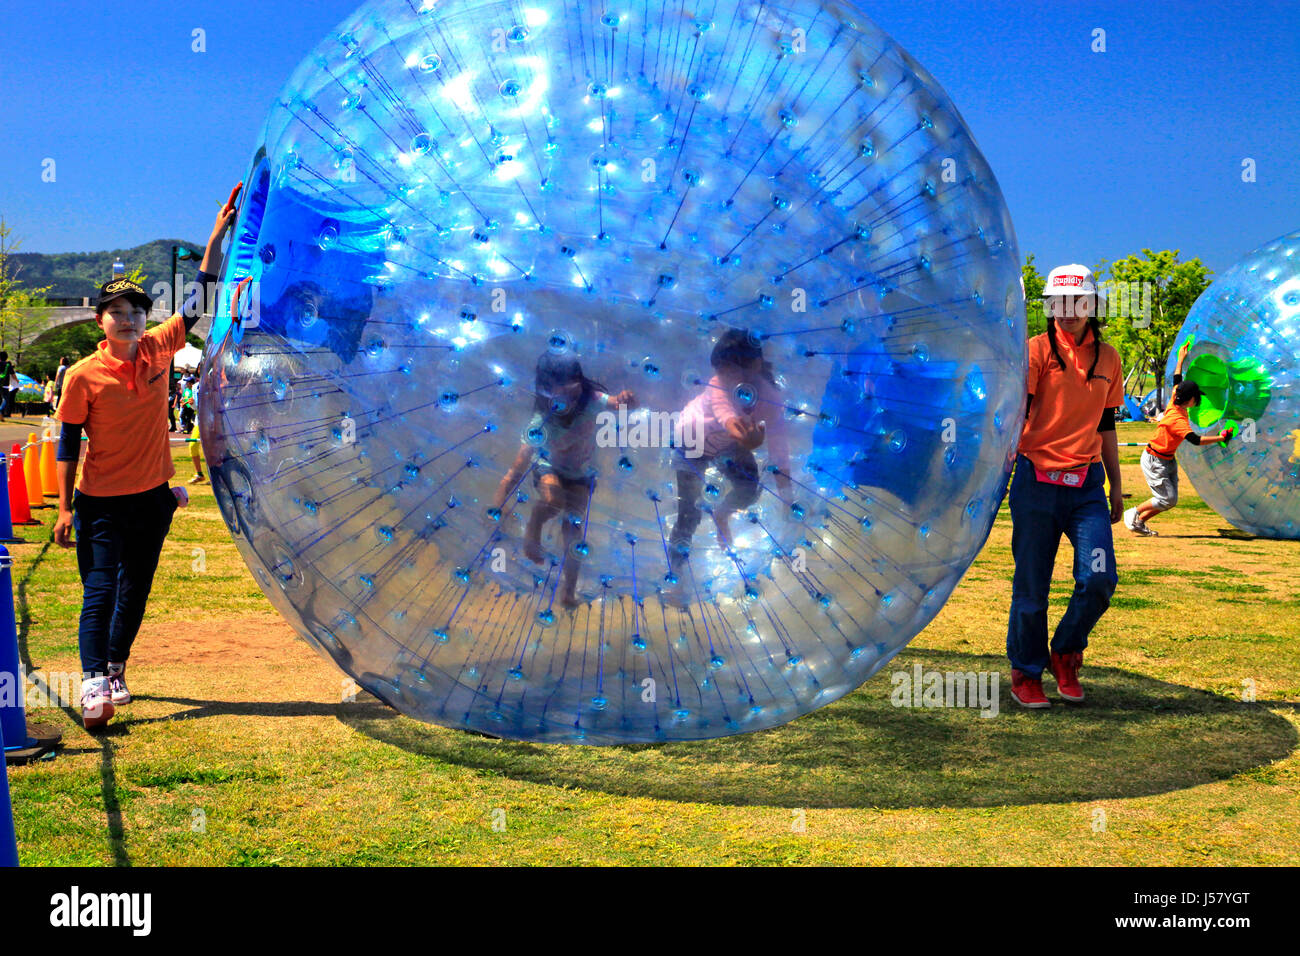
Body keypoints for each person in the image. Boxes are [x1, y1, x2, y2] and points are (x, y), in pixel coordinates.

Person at [53, 185, 240, 729]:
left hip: (152, 498)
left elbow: (202, 293)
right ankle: (91, 684)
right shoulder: (85, 376)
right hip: (99, 502)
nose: (127, 319)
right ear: (100, 322)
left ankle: (115, 669)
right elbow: (67, 444)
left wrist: (217, 235)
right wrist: (65, 508)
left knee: (136, 586)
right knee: (100, 587)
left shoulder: (159, 348)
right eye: (115, 312)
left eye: (135, 310)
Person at [1007, 264, 1124, 709]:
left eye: (1077, 302)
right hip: (1036, 481)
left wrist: (1116, 486)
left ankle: (1066, 653)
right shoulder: (1035, 351)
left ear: (1091, 305)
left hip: (1086, 488)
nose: (1068, 310)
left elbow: (1107, 424)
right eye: (1058, 302)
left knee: (1098, 577)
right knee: (1032, 586)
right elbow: (1016, 416)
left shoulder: (1108, 358)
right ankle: (1026, 671)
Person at [490, 353, 634, 608]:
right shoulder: (541, 423)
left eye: (574, 393)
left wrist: (626, 400)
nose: (569, 401)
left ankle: (568, 590)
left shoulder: (591, 400)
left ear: (580, 384)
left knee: (573, 533)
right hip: (549, 469)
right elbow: (515, 470)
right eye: (561, 396)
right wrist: (498, 506)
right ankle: (534, 524)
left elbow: (617, 405)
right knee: (553, 500)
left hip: (581, 474)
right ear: (546, 395)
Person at [669, 328, 792, 578]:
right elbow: (726, 414)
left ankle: (721, 514)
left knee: (749, 490)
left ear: (755, 365)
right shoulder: (718, 384)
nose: (722, 376)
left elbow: (779, 447)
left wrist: (787, 498)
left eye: (728, 370)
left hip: (728, 443)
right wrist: (747, 440)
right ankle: (676, 572)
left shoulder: (770, 399)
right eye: (719, 370)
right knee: (688, 514)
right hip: (691, 440)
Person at [1125, 341, 1234, 535]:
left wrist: (1181, 359)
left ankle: (1138, 522)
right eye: (1196, 397)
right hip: (1155, 460)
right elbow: (1195, 440)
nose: (1198, 400)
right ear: (1190, 399)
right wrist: (1221, 437)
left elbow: (1177, 380)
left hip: (1166, 458)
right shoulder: (1176, 419)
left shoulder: (1176, 399)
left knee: (1169, 500)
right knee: (1167, 499)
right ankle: (1134, 512)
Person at [0, 352, 15, 420]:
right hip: (5, 385)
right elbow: (13, 375)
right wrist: (17, 381)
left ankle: (1, 417)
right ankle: (0, 410)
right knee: (5, 400)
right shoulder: (8, 365)